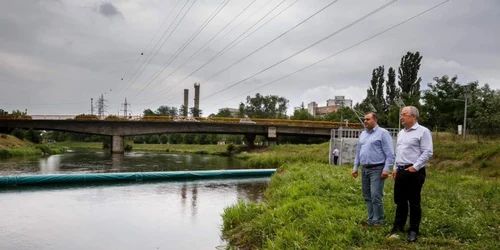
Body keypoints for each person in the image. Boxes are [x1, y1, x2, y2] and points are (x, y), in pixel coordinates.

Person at [389, 106, 433, 242]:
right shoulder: (401, 133)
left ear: (413, 116)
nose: (401, 117)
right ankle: (398, 226)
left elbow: (428, 152)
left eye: (404, 114)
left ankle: (413, 230)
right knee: (400, 200)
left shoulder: (423, 132)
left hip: (414, 171)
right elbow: (399, 153)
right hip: (401, 170)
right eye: (401, 115)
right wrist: (396, 168)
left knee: (414, 201)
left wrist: (415, 167)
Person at [352, 112, 395, 226]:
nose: (365, 121)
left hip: (377, 169)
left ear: (375, 120)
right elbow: (358, 152)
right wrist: (355, 167)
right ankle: (371, 219)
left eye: (367, 119)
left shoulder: (383, 133)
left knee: (376, 195)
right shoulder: (363, 134)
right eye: (364, 119)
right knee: (367, 195)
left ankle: (378, 221)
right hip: (364, 169)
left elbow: (390, 153)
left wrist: (386, 169)